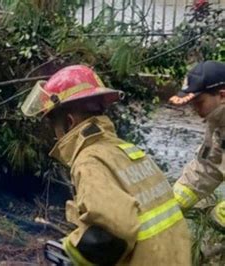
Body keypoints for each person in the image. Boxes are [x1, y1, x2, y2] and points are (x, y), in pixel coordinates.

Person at [21, 65, 191, 265]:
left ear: (69, 122)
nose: (55, 136)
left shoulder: (90, 160)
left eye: (54, 126)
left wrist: (70, 252)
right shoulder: (125, 150)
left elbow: (112, 231)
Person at [169, 60, 225, 231]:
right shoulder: (217, 121)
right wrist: (174, 202)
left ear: (222, 96)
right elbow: (209, 165)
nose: (195, 110)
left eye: (199, 102)